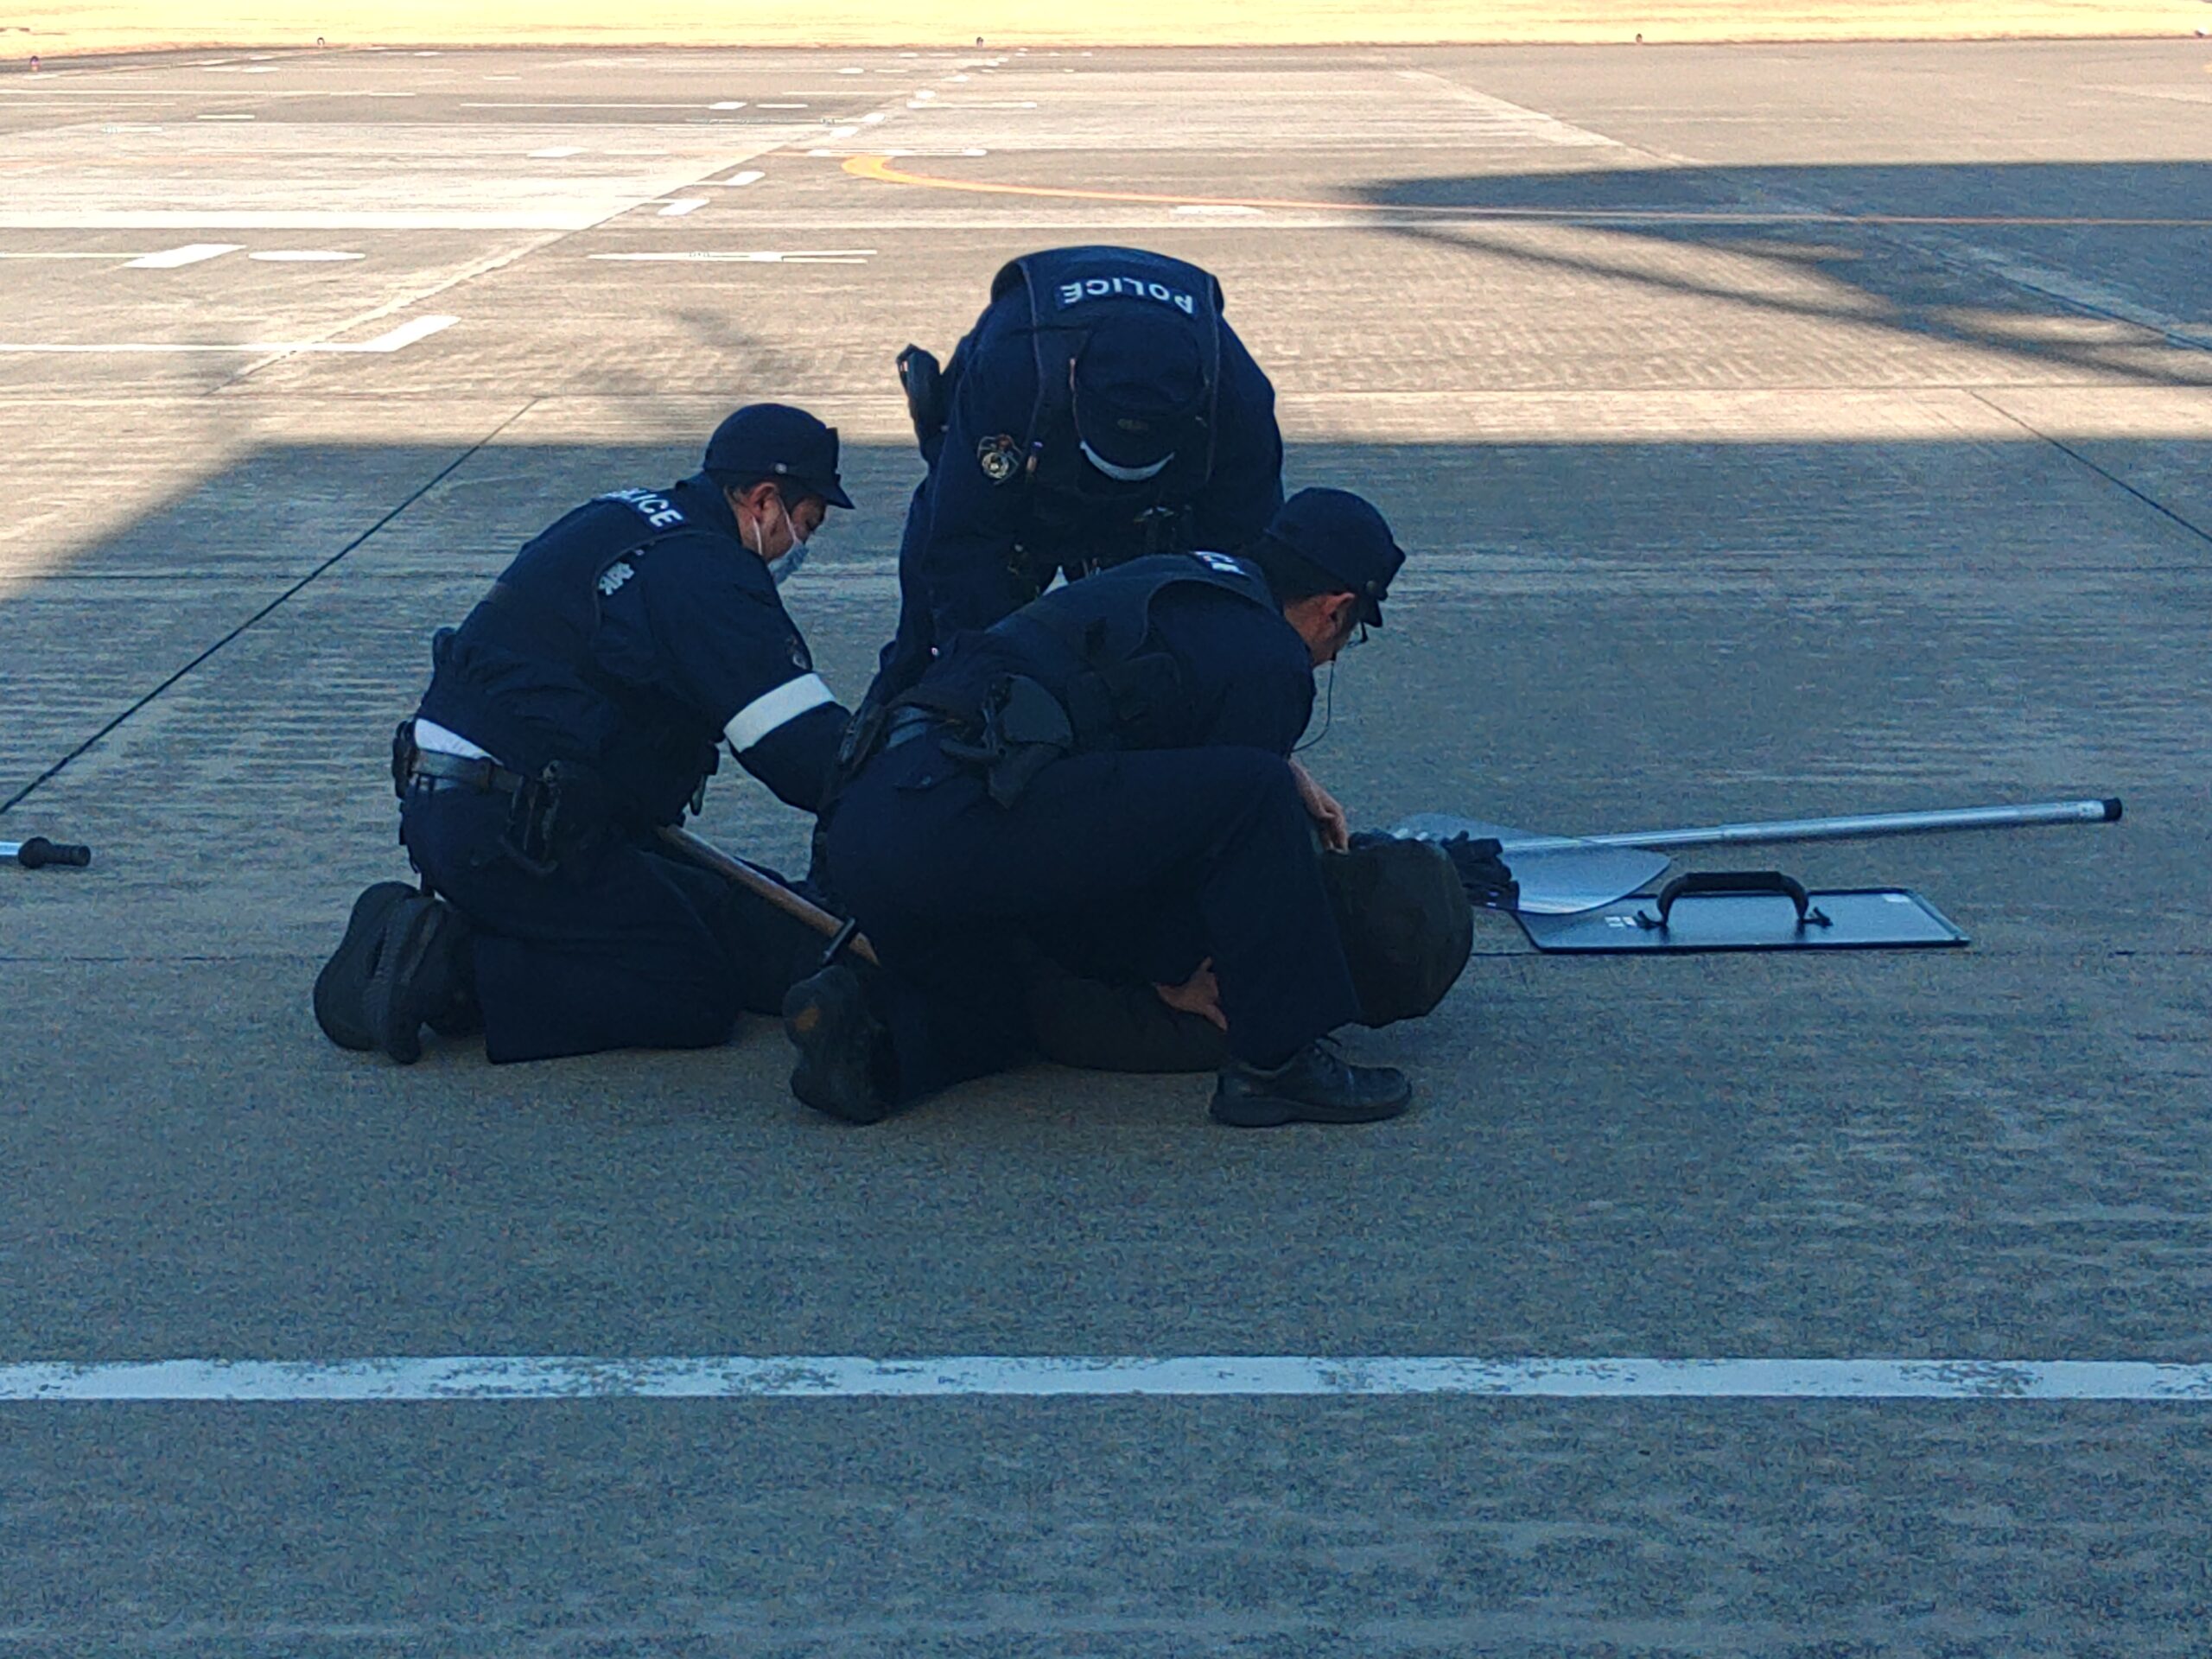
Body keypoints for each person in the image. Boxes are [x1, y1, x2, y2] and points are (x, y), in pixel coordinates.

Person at [793, 486, 1414, 1129]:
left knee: (1005, 1007)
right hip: (962, 824)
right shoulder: (1275, 661)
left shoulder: (1179, 578)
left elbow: (1138, 766)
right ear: (1335, 609)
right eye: (1350, 635)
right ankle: (1279, 1066)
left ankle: (871, 1039)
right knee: (1259, 794)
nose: (1333, 654)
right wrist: (1168, 967)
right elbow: (1208, 844)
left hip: (874, 817)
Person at [313, 404, 856, 1066]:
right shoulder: (707, 577)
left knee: (732, 914)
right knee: (690, 988)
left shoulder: (626, 517)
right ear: (765, 501)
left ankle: (483, 931)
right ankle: (444, 964)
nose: (801, 546)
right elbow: (799, 749)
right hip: (508, 828)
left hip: (487, 799)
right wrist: (898, 799)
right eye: (807, 525)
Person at [868, 245, 1286, 709]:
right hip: (1021, 491)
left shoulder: (1238, 399)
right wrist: (981, 684)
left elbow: (1243, 560)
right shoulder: (1012, 372)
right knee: (928, 657)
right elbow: (963, 543)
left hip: (1156, 518)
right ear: (1071, 378)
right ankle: (880, 731)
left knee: (1176, 668)